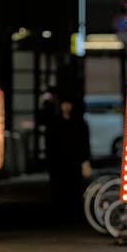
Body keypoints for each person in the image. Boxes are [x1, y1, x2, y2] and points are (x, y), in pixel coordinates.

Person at [38, 88, 92, 223]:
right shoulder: (54, 122)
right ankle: (60, 214)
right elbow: (49, 144)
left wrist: (85, 161)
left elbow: (84, 143)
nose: (66, 107)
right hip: (58, 161)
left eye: (69, 104)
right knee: (58, 189)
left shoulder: (79, 123)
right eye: (64, 104)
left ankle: (73, 215)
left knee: (74, 188)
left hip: (74, 161)